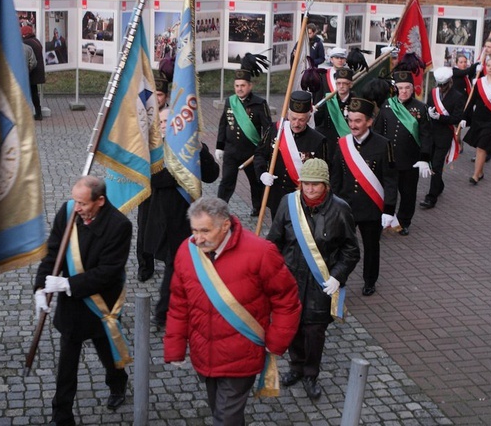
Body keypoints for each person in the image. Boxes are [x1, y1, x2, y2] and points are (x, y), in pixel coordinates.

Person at [163, 196, 301, 425]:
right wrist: (175, 346)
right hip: (203, 353)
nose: (197, 238)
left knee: (225, 418)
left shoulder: (261, 252)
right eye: (194, 230)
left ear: (225, 225)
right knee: (221, 411)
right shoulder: (187, 251)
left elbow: (287, 300)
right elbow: (179, 302)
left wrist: (276, 342)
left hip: (242, 354)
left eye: (205, 231)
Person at [34, 176, 132, 426]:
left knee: (107, 354)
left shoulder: (119, 225)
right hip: (72, 305)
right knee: (67, 365)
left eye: (83, 204)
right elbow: (53, 252)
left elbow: (109, 271)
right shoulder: (68, 212)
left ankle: (118, 384)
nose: (77, 208)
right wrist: (40, 288)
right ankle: (62, 414)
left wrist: (68, 284)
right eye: (75, 201)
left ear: (100, 200)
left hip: (100, 303)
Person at [266, 159, 359, 400]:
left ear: (326, 185)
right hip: (291, 279)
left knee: (315, 331)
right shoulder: (288, 203)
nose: (309, 189)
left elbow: (351, 250)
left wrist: (338, 277)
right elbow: (274, 240)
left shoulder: (340, 209)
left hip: (321, 283)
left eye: (315, 184)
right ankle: (296, 366)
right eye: (305, 183)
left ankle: (310, 373)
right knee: (293, 326)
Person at [148, 107, 220, 327]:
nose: (164, 125)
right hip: (166, 220)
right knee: (175, 265)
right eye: (161, 121)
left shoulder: (192, 147)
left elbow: (211, 175)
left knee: (196, 264)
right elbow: (155, 179)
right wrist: (184, 168)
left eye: (169, 121)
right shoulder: (154, 151)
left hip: (193, 218)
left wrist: (199, 151)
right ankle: (164, 313)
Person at [330, 98, 397, 296]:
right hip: (346, 206)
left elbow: (390, 180)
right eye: (350, 120)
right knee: (341, 246)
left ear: (369, 121)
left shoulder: (384, 145)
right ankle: (339, 278)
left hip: (371, 208)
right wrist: (333, 203)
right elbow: (336, 177)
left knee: (371, 247)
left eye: (358, 121)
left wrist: (389, 209)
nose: (353, 125)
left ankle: (370, 280)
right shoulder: (343, 144)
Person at [373, 70, 433, 236]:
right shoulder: (387, 105)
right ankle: (383, 221)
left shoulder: (421, 108)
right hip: (388, 160)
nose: (404, 91)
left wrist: (424, 158)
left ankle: (404, 221)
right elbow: (377, 133)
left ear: (413, 89)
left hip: (410, 161)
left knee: (408, 194)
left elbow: (426, 135)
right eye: (400, 88)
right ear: (395, 88)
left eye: (407, 87)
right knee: (384, 192)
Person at [254, 91, 327, 219]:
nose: (296, 123)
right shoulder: (275, 130)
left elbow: (323, 173)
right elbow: (260, 154)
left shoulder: (318, 140)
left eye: (301, 120)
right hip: (277, 195)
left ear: (309, 118)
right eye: (293, 118)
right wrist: (262, 174)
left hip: (303, 198)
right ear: (288, 114)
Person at [216, 56, 272, 217]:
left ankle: (257, 207)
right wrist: (220, 146)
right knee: (226, 181)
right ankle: (220, 208)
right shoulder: (230, 101)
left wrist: (264, 150)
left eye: (243, 85)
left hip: (252, 153)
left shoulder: (259, 103)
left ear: (250, 85)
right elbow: (223, 125)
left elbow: (268, 129)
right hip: (231, 151)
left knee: (255, 182)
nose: (239, 89)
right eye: (237, 86)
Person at [135, 56, 174, 282]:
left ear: (166, 97)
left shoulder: (174, 117)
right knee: (144, 224)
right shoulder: (142, 117)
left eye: (160, 95)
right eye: (154, 95)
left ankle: (170, 259)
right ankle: (145, 264)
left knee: (168, 223)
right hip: (147, 178)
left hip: (168, 178)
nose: (157, 99)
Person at [461, 57, 491, 185]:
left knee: (481, 147)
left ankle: (475, 176)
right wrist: (463, 117)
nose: (490, 68)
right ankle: (481, 172)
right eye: (488, 65)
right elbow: (471, 101)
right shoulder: (479, 82)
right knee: (479, 147)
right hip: (478, 119)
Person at [420, 67, 465, 209]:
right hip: (430, 133)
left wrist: (440, 117)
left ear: (450, 82)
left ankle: (431, 197)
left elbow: (457, 118)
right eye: (439, 85)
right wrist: (428, 111)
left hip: (444, 135)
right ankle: (439, 185)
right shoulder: (433, 92)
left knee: (437, 165)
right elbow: (427, 107)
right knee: (432, 164)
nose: (441, 88)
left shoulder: (457, 96)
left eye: (443, 85)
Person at [313, 66, 355, 152]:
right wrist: (314, 112)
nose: (341, 86)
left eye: (345, 83)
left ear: (350, 84)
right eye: (338, 83)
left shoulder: (356, 101)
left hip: (349, 144)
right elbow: (318, 122)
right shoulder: (328, 100)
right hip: (331, 144)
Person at [21, 25, 46, 120]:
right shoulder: (36, 41)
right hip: (37, 71)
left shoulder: (26, 43)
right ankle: (38, 112)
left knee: (29, 93)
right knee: (34, 92)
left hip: (31, 72)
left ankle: (30, 114)